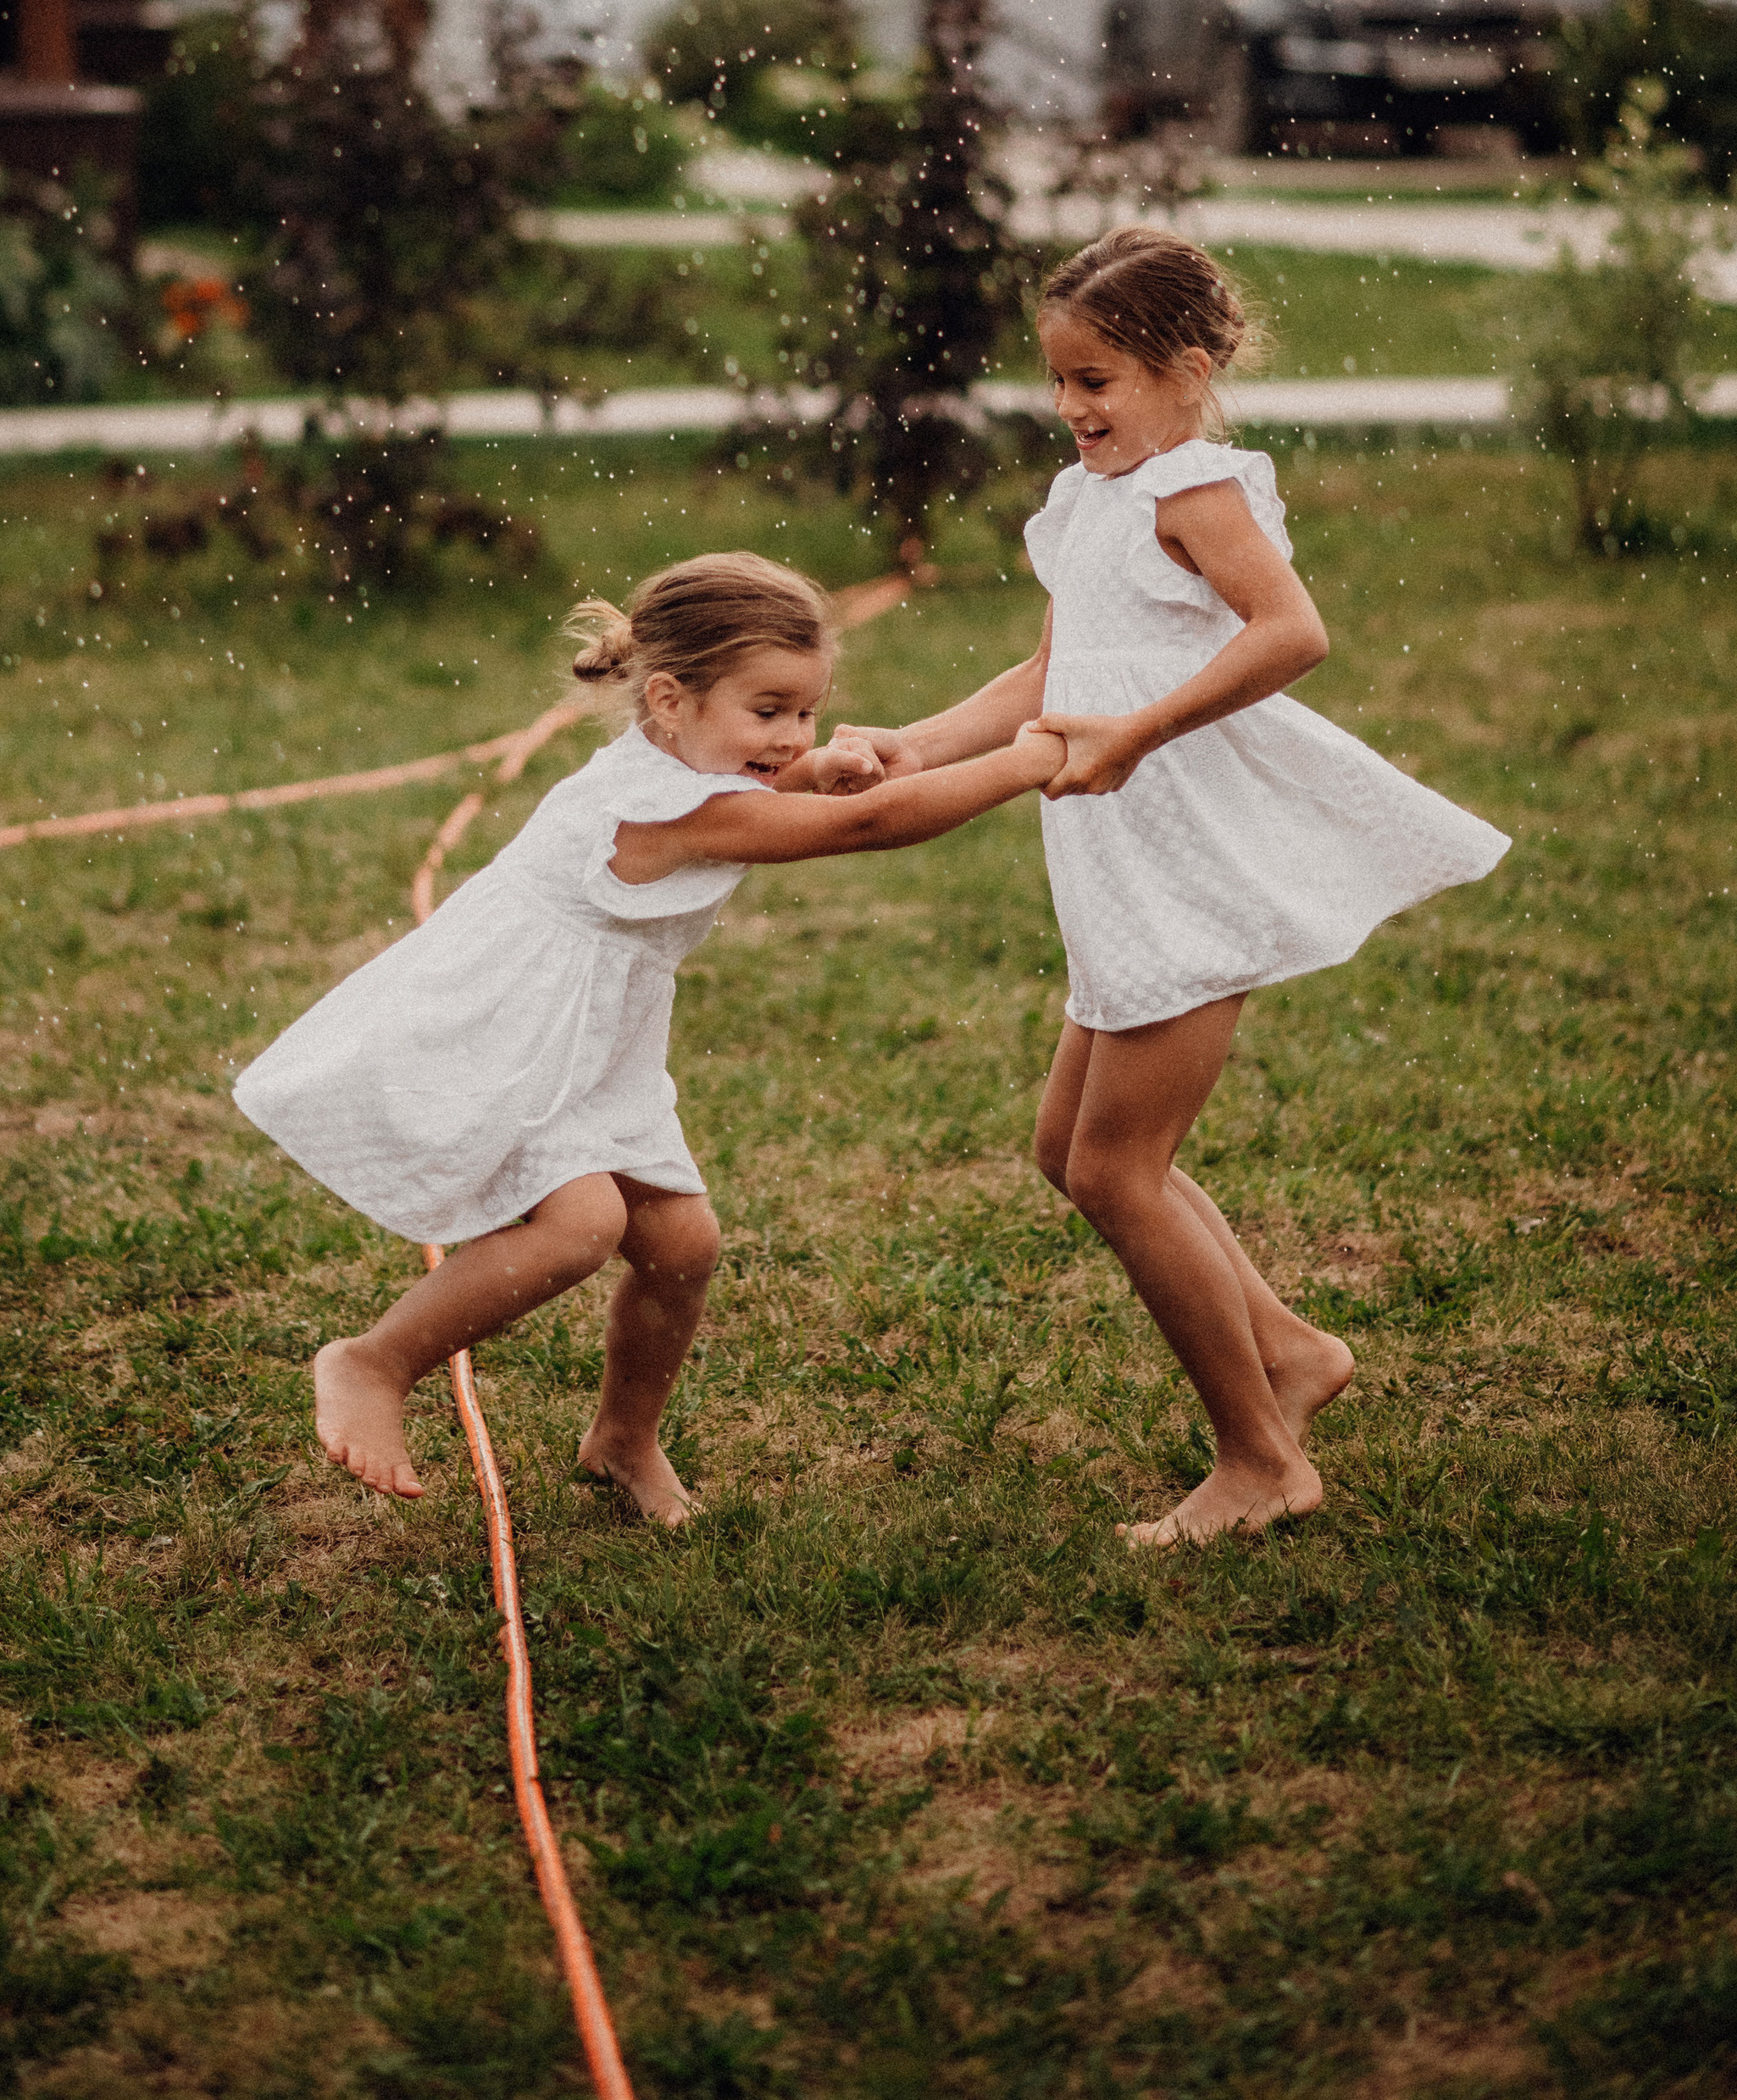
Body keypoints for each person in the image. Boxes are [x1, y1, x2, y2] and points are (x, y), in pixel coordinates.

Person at [838, 228, 1509, 1548]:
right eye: (1060, 379)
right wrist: (917, 742)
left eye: (1097, 380)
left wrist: (1140, 732)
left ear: (1188, 371)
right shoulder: (1092, 494)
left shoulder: (1193, 489)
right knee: (1071, 1154)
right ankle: (1293, 1353)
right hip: (1117, 854)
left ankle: (1262, 1459)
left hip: (1189, 855)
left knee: (1118, 1169)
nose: (1071, 405)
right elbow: (1052, 671)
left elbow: (1292, 632)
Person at [233, 551, 1066, 1525]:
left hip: (598, 1037)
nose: (791, 734)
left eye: (806, 711)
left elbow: (762, 790)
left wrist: (806, 770)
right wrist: (1029, 761)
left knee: (680, 1244)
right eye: (769, 711)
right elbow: (866, 825)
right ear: (669, 700)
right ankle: (373, 1362)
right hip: (516, 1031)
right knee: (579, 1226)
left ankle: (622, 1441)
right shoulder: (662, 806)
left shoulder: (682, 765)